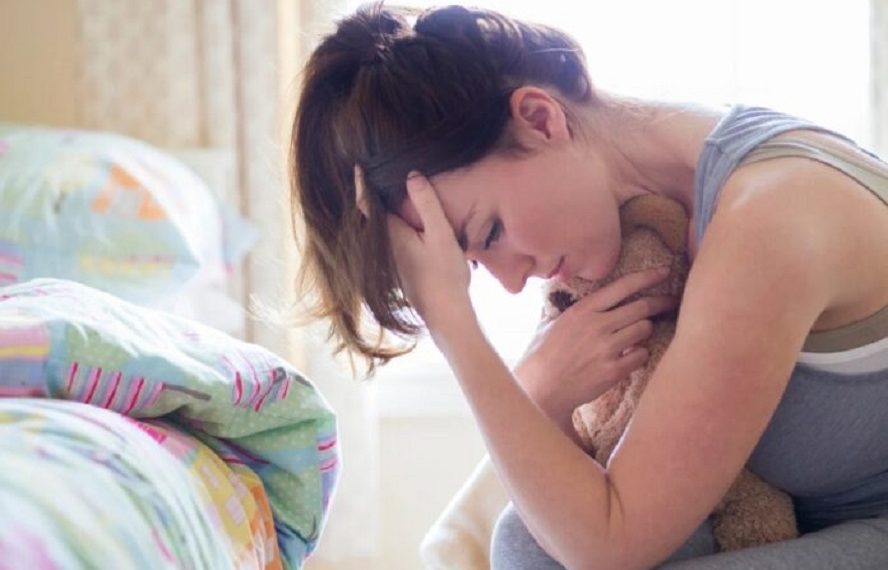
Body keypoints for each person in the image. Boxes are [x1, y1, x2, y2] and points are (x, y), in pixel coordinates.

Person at [289, 3, 888, 569]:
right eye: (470, 264)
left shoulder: (770, 219)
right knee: (525, 541)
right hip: (823, 528)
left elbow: (609, 543)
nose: (511, 279)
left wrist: (452, 324)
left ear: (540, 119)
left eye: (490, 231)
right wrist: (542, 400)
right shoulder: (631, 227)